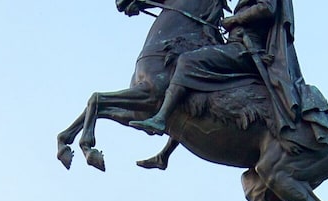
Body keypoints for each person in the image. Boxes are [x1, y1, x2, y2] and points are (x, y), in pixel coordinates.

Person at [129, 0, 310, 137]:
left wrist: (234, 19)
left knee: (188, 61)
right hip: (235, 46)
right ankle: (166, 152)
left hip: (247, 49)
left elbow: (266, 8)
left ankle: (161, 118)